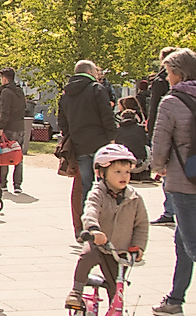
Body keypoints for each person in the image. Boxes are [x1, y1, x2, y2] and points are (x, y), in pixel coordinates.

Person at [65, 144, 148, 311]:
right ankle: (76, 291)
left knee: (115, 288)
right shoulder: (98, 193)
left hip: (119, 250)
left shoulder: (135, 198)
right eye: (117, 172)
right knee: (87, 255)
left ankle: (115, 310)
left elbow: (141, 225)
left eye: (127, 172)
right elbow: (90, 211)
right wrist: (94, 230)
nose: (123, 176)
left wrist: (138, 247)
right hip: (99, 243)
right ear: (102, 173)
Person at [150, 47, 196, 314]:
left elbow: (160, 143)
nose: (167, 78)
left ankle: (175, 299)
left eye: (168, 73)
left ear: (178, 74)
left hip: (184, 180)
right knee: (183, 240)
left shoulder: (171, 101)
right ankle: (175, 299)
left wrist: (158, 168)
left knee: (192, 243)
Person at [58, 59, 117, 211]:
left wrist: (70, 135)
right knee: (104, 182)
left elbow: (62, 122)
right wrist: (112, 136)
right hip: (100, 142)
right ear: (89, 72)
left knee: (86, 184)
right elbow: (106, 114)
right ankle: (103, 214)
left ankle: (88, 217)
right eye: (96, 72)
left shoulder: (66, 94)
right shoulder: (96, 89)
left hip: (79, 144)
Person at [151, 47, 182, 226]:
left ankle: (170, 210)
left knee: (169, 175)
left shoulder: (161, 83)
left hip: (167, 131)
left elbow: (155, 107)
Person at [0, 67, 28, 193]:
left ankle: (3, 183)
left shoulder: (6, 92)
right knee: (17, 155)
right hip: (20, 127)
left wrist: (0, 126)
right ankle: (17, 185)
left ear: (4, 78)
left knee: (5, 154)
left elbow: (5, 111)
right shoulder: (20, 91)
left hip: (8, 127)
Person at [115, 104, 150, 180]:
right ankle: (146, 173)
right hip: (141, 164)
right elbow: (145, 142)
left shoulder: (117, 131)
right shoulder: (141, 129)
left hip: (123, 165)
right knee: (147, 147)